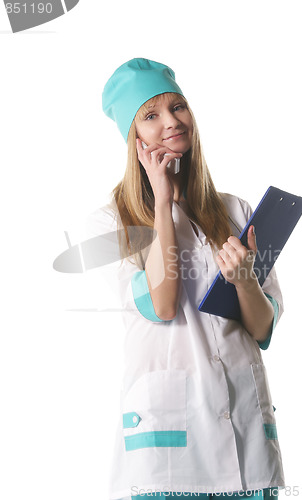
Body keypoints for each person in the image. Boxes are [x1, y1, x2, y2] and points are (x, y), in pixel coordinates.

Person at [86, 58, 284, 500]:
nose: (172, 122)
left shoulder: (236, 212)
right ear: (133, 138)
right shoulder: (111, 224)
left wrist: (245, 281)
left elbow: (263, 329)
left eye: (178, 107)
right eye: (151, 115)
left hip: (248, 443)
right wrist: (161, 204)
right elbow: (162, 305)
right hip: (167, 453)